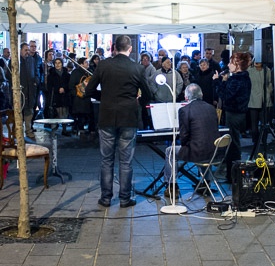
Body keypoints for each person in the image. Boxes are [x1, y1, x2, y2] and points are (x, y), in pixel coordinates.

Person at [83, 35, 152, 208]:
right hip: (128, 117)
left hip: (106, 115)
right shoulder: (137, 68)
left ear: (114, 48)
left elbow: (89, 90)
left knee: (106, 160)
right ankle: (124, 198)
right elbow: (148, 94)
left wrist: (105, 97)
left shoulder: (103, 65)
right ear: (130, 48)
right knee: (126, 161)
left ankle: (106, 198)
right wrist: (137, 102)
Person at [162, 83, 219, 201]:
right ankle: (206, 183)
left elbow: (184, 136)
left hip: (197, 152)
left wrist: (185, 145)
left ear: (186, 97)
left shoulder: (184, 110)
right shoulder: (211, 108)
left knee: (170, 151)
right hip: (214, 151)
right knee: (205, 145)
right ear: (201, 95)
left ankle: (172, 187)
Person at [216, 51, 252, 179]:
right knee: (233, 142)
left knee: (232, 144)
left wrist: (220, 82)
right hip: (238, 113)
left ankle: (233, 175)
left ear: (237, 64)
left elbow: (226, 96)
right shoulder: (244, 78)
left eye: (231, 62)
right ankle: (232, 173)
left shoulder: (237, 79)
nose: (228, 65)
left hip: (234, 114)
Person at [45, 57, 72, 121]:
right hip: (55, 99)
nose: (57, 65)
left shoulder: (67, 75)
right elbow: (49, 87)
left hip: (65, 98)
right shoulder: (51, 75)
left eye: (59, 63)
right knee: (55, 117)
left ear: (62, 64)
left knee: (65, 117)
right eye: (56, 63)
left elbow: (70, 85)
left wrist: (64, 89)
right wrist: (58, 89)